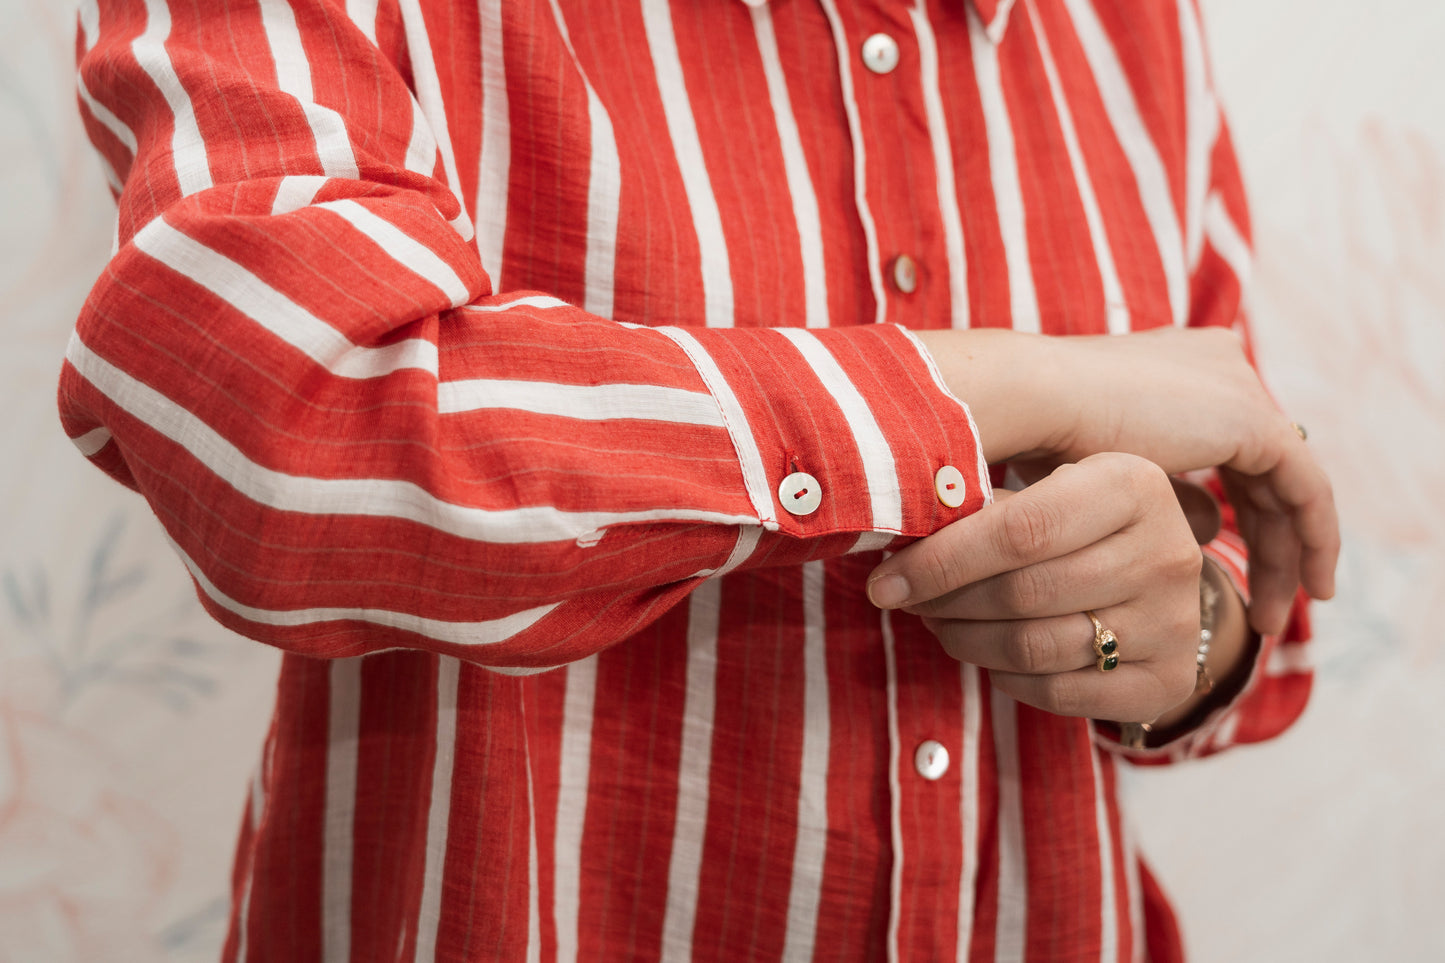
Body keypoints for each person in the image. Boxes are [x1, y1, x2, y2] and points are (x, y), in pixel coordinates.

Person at [62, 0, 1337, 959]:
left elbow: (1245, 576)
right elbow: (290, 434)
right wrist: (1008, 384)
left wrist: (1183, 632)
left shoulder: (1129, 27)